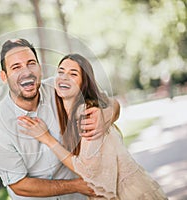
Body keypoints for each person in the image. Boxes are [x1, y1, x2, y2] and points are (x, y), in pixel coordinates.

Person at [0, 39, 120, 199]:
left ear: (39, 68)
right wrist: (77, 185)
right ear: (4, 77)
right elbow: (19, 185)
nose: (26, 72)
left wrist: (106, 116)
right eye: (16, 67)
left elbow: (111, 104)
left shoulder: (60, 88)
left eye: (31, 63)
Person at [18, 53, 167, 199]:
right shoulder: (67, 110)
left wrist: (46, 138)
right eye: (61, 72)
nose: (64, 77)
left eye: (73, 74)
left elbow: (86, 170)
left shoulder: (87, 113)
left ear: (84, 83)